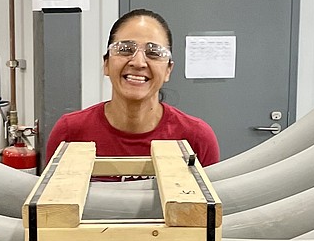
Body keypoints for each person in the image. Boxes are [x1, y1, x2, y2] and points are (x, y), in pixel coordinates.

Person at [44, 10, 221, 165]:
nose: (138, 62)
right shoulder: (70, 133)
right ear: (106, 64)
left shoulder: (196, 138)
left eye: (154, 53)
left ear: (168, 70)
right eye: (125, 49)